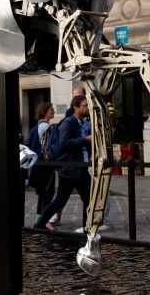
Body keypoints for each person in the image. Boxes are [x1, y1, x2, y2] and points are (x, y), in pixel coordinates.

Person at [32, 94, 92, 232]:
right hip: (69, 168)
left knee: (88, 199)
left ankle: (87, 228)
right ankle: (39, 224)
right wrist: (85, 140)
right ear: (75, 107)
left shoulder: (82, 122)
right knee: (60, 201)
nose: (87, 108)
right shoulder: (68, 122)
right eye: (84, 105)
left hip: (81, 167)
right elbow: (64, 142)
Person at [25, 101, 56, 216]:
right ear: (44, 112)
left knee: (44, 191)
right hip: (46, 164)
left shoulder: (37, 126)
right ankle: (45, 218)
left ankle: (42, 216)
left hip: (39, 163)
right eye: (51, 109)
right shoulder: (45, 127)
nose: (53, 111)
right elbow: (49, 146)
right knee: (48, 191)